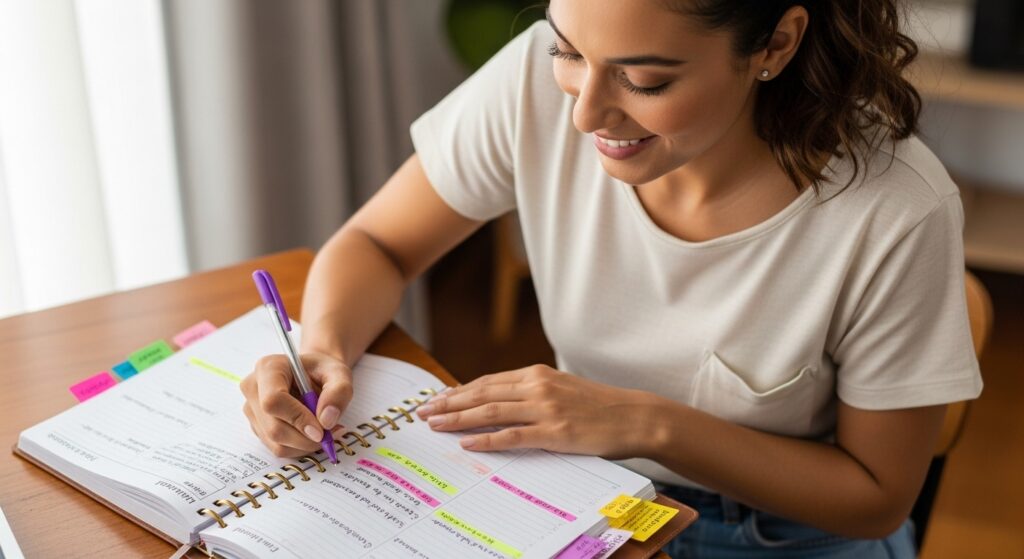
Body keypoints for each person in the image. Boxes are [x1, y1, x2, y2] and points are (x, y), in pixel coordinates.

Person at [240, 1, 983, 556]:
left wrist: (643, 424)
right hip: (589, 501)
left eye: (644, 79)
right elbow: (378, 242)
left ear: (776, 43)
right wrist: (324, 350)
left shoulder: (895, 213)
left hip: (786, 537)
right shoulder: (540, 82)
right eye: (568, 51)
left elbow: (877, 497)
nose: (585, 110)